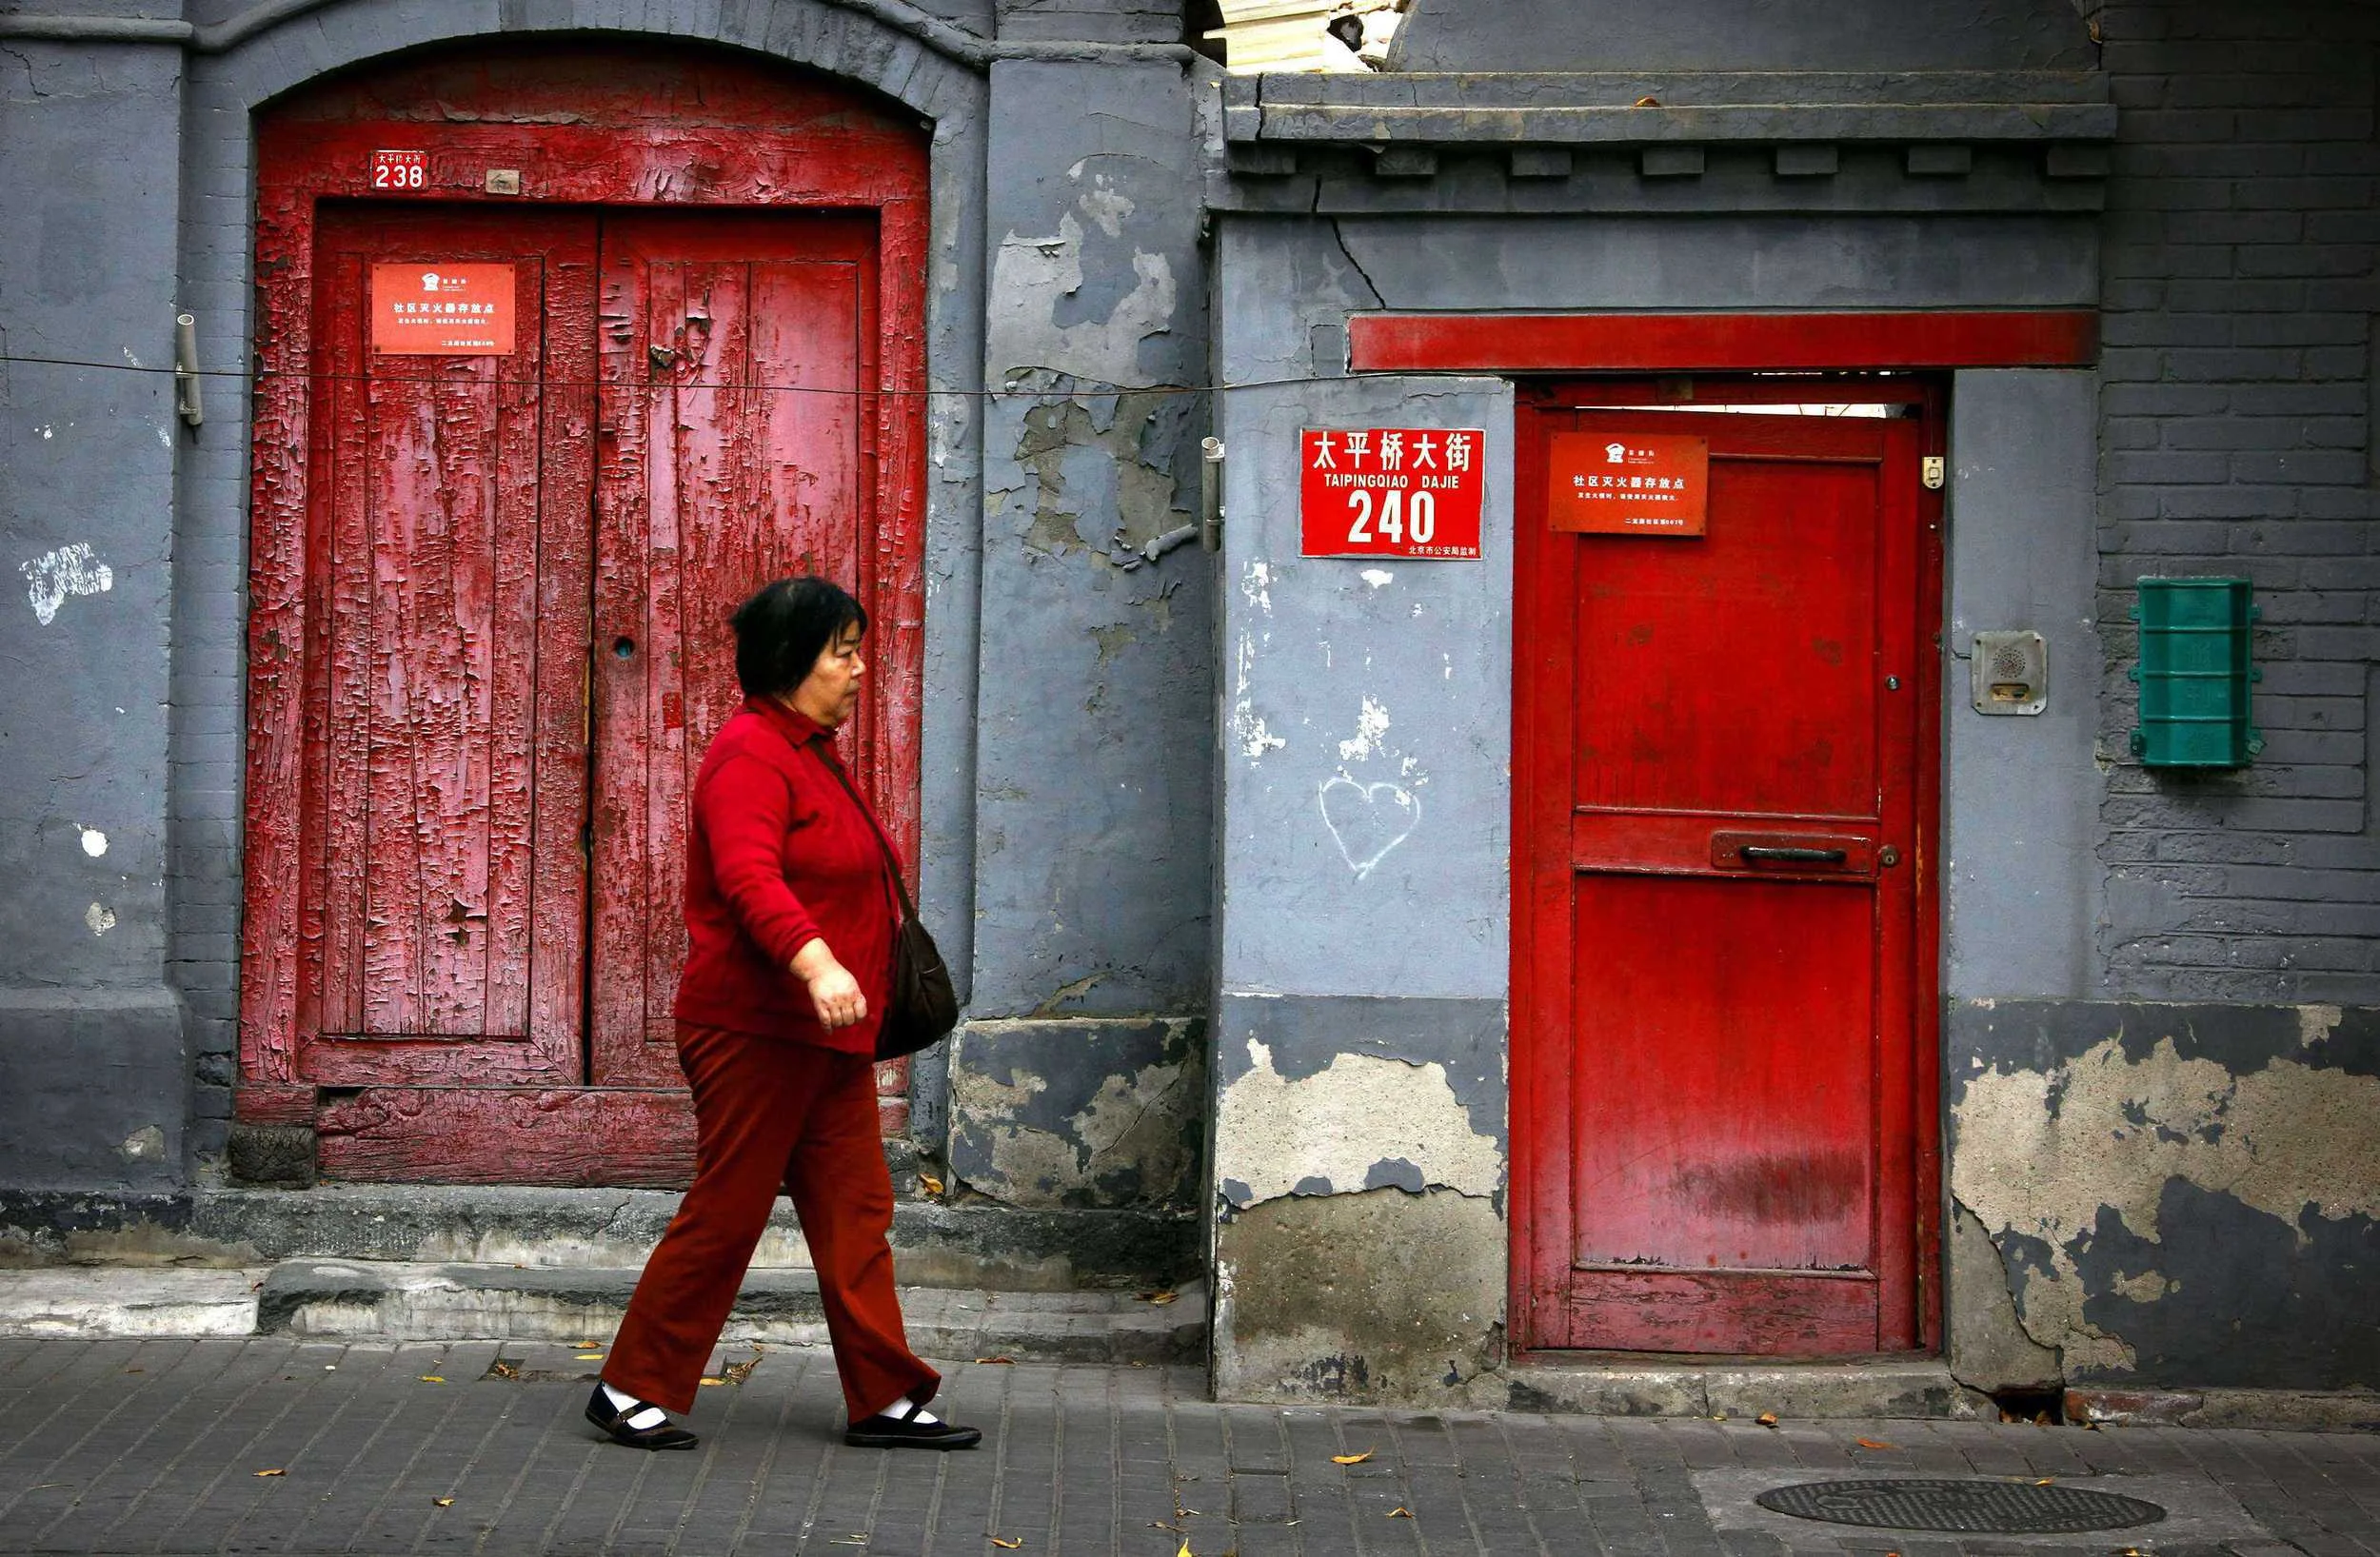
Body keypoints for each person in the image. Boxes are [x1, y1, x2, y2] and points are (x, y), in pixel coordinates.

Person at [586, 576, 980, 1453]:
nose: (858, 668)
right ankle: (630, 1387)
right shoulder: (749, 755)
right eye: (842, 652)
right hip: (756, 1031)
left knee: (856, 1210)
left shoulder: (811, 753)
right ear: (793, 661)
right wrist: (815, 960)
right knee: (728, 1210)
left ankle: (885, 1396)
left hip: (827, 1037)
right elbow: (748, 877)